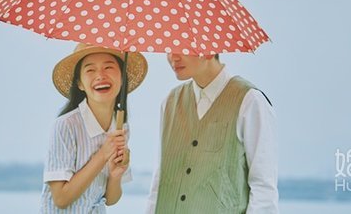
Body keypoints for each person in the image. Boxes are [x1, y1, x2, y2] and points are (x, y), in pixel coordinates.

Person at [146, 53, 278, 214]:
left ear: (208, 48)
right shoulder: (170, 102)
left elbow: (263, 188)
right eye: (169, 47)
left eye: (181, 46)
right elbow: (159, 180)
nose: (173, 56)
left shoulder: (250, 101)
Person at [40, 42, 148, 213]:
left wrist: (115, 174)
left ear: (122, 78)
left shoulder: (121, 128)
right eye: (90, 70)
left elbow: (111, 199)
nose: (100, 76)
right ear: (80, 83)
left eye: (109, 67)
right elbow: (61, 199)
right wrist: (103, 155)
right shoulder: (66, 126)